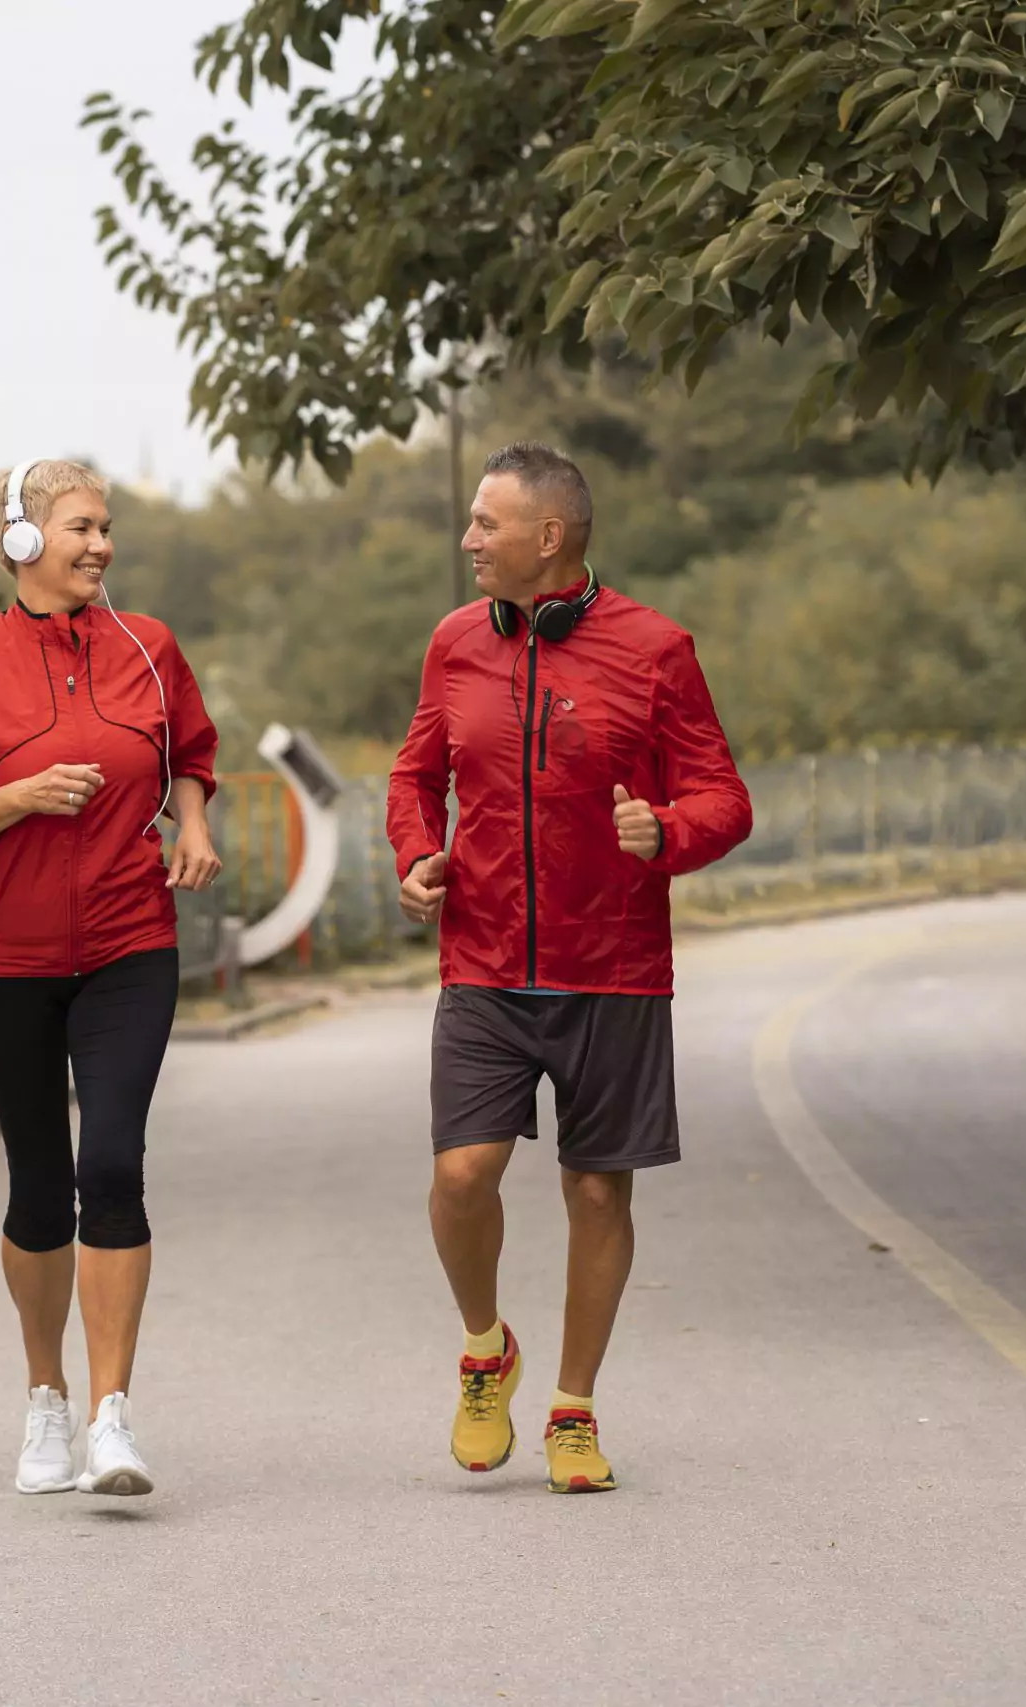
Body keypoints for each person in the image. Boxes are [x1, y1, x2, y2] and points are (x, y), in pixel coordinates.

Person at [390, 441, 752, 1493]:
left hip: (615, 969)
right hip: (485, 962)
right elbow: (415, 774)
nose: (467, 541)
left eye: (483, 525)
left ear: (546, 537)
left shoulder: (656, 649)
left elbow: (724, 796)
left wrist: (669, 831)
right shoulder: (455, 644)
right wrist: (416, 852)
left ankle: (574, 1410)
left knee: (597, 1196)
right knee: (462, 1175)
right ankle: (484, 1346)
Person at [0, 458, 222, 1497]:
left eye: (106, 528)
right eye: (81, 528)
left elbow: (193, 749)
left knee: (112, 1165)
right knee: (39, 1186)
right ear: (22, 542)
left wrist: (197, 822)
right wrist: (20, 797)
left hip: (131, 943)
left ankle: (110, 1417)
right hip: (6, 961)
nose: (101, 547)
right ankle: (44, 1402)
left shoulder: (146, 645)